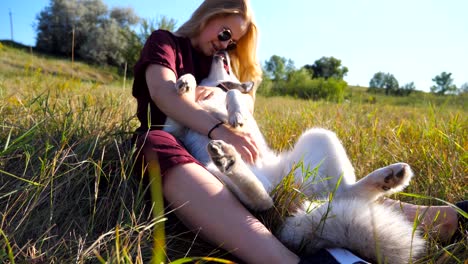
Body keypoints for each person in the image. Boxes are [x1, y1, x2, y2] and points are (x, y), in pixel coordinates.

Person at [131, 0, 465, 263]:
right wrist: (219, 126)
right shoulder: (168, 43)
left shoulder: (226, 68)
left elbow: (246, 114)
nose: (226, 47)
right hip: (191, 156)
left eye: (233, 43)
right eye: (224, 34)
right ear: (209, 14)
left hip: (262, 167)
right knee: (155, 142)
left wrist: (232, 94)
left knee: (318, 139)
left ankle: (433, 219)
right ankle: (289, 261)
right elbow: (165, 95)